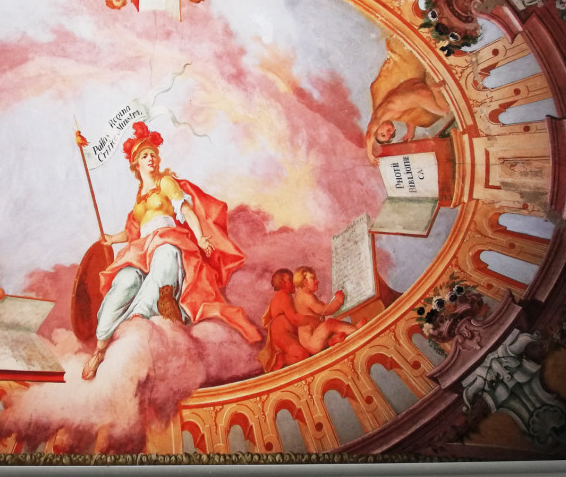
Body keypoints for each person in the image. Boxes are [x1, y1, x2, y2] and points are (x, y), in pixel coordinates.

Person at [82, 122, 261, 379]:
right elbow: (133, 230)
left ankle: (136, 332)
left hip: (167, 240)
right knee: (123, 283)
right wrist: (113, 238)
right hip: (141, 248)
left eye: (153, 154)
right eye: (145, 155)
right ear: (136, 164)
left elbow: (186, 210)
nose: (151, 159)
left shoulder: (165, 182)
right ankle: (100, 349)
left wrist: (200, 237)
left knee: (161, 269)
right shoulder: (139, 195)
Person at [364, 78, 450, 165]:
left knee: (444, 111)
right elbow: (409, 117)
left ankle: (434, 89)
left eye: (383, 134)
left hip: (419, 94)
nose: (388, 134)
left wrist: (370, 155)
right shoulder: (389, 113)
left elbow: (369, 135)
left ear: (376, 129)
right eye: (389, 136)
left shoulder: (378, 117)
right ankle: (431, 89)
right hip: (414, 85)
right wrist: (410, 132)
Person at [292, 266, 363, 354]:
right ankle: (355, 330)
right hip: (312, 341)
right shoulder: (307, 298)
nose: (317, 281)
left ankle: (332, 340)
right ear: (305, 282)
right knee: (330, 324)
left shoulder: (300, 295)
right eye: (313, 278)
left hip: (313, 339)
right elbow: (324, 310)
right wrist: (337, 301)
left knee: (332, 325)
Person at [257, 268, 312, 372]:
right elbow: (294, 318)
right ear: (283, 283)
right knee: (302, 354)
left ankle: (282, 359)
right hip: (281, 333)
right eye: (291, 280)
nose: (294, 283)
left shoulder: (285, 296)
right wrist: (310, 320)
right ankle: (281, 360)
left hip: (285, 333)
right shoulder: (283, 295)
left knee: (306, 352)